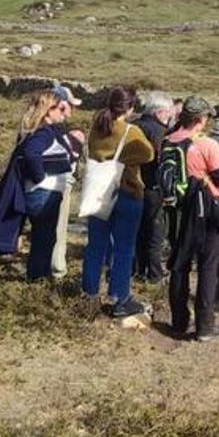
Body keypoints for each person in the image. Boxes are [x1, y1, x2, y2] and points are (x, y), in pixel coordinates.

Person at [82, 86, 155, 317]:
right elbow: (148, 154)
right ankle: (119, 297)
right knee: (124, 249)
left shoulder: (97, 127)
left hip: (98, 192)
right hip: (126, 192)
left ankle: (89, 293)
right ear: (130, 108)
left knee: (95, 246)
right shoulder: (130, 131)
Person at [163, 96, 219, 341]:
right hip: (204, 210)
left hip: (177, 213)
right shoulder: (207, 144)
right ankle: (205, 326)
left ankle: (179, 321)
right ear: (201, 119)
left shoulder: (167, 142)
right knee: (208, 266)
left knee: (179, 265)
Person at [17, 90, 81, 282]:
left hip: (45, 191)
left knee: (43, 237)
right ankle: (38, 278)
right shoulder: (44, 132)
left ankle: (38, 276)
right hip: (43, 193)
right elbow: (31, 153)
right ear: (48, 110)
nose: (63, 111)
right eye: (59, 107)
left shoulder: (44, 130)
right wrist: (40, 178)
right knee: (44, 238)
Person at [133, 91, 174, 283]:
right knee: (155, 233)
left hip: (131, 184)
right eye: (168, 113)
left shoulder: (133, 125)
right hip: (152, 186)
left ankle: (138, 270)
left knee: (137, 230)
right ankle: (155, 273)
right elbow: (161, 162)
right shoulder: (159, 132)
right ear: (159, 112)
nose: (169, 118)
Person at [49, 85, 84, 279]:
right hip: (58, 184)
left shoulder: (46, 126)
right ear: (61, 104)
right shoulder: (56, 130)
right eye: (71, 105)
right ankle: (57, 268)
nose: (73, 110)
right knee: (58, 227)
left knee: (50, 226)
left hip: (49, 184)